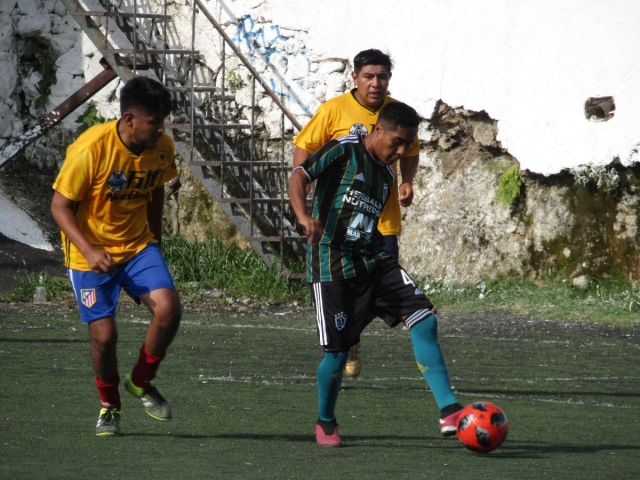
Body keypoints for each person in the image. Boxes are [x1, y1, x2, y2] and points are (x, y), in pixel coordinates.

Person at [288, 101, 463, 447]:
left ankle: (450, 410)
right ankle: (326, 422)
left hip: (371, 258)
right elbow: (299, 175)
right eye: (396, 142)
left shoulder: (385, 174)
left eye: (407, 145)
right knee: (336, 354)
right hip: (331, 262)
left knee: (423, 317)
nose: (400, 151)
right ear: (378, 129)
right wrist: (303, 215)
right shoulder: (343, 150)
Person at [51, 76, 182, 437]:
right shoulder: (90, 150)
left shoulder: (162, 147)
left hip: (138, 246)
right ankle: (109, 406)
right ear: (129, 119)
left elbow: (155, 189)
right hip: (90, 254)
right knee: (105, 338)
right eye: (154, 121)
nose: (160, 129)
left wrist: (154, 240)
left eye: (163, 121)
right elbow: (60, 207)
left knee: (169, 309)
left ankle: (140, 381)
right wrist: (90, 250)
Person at [293, 49, 419, 378]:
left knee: (379, 285)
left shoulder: (398, 114)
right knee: (347, 289)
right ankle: (346, 339)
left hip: (383, 221)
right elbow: (304, 149)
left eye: (382, 77)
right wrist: (304, 191)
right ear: (355, 78)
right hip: (341, 222)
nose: (376, 83)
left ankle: (351, 335)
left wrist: (408, 181)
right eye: (369, 76)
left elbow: (411, 152)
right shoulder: (333, 110)